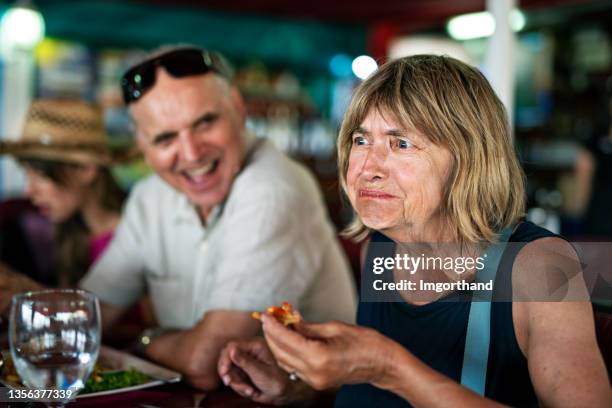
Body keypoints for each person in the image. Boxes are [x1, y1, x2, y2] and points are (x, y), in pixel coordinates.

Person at [219, 55, 611, 407]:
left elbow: (390, 375)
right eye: (360, 140)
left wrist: (385, 366)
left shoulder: (541, 266)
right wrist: (298, 387)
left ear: (469, 158)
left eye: (401, 143)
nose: (367, 166)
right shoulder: (385, 245)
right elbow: (380, 394)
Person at [76, 46, 356, 390]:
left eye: (205, 122)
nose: (192, 154)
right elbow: (84, 319)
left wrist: (142, 343)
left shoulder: (273, 187)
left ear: (238, 110)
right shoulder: (150, 197)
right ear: (142, 146)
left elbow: (204, 364)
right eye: (165, 138)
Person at [0, 99, 127, 309]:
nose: (29, 190)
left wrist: (22, 291)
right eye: (27, 176)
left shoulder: (136, 235)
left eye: (40, 175)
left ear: (86, 170)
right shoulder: (69, 232)